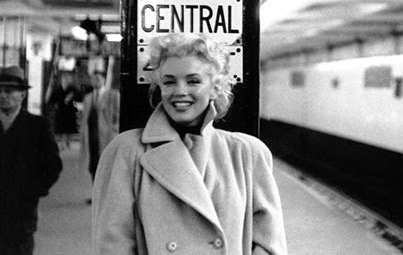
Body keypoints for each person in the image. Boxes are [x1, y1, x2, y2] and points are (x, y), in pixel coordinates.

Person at [92, 33, 287, 254]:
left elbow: (270, 244)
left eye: (193, 81)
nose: (180, 91)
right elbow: (112, 244)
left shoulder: (247, 153)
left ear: (215, 87)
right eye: (169, 82)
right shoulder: (126, 151)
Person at [0, 66, 62, 255]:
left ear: (22, 95)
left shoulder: (37, 126)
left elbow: (53, 165)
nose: (3, 96)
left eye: (9, 91)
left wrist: (33, 191)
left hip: (22, 210)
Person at [80, 70, 120, 182]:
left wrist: (114, 130)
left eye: (98, 78)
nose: (95, 81)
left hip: (107, 135)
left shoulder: (112, 95)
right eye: (93, 79)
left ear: (103, 79)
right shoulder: (88, 97)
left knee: (106, 164)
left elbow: (118, 115)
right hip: (91, 135)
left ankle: (105, 195)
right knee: (93, 164)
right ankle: (95, 194)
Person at [49, 71, 81, 148]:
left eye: (67, 78)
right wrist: (56, 104)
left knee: (69, 128)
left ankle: (67, 142)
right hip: (61, 111)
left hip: (70, 111)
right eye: (64, 79)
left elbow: (79, 98)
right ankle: (63, 143)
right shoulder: (57, 90)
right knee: (61, 128)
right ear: (62, 80)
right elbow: (52, 100)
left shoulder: (73, 90)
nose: (66, 80)